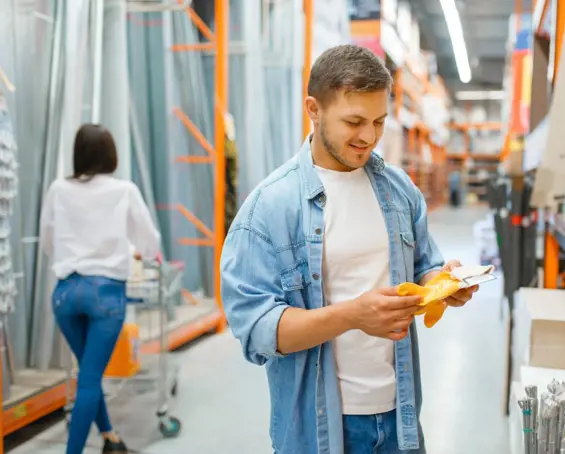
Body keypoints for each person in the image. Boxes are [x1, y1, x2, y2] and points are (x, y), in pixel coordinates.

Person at [220, 44, 477, 454]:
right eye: (354, 121)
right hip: (320, 429)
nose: (369, 137)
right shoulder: (269, 207)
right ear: (313, 108)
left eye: (379, 122)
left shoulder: (399, 190)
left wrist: (443, 283)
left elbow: (423, 265)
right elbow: (257, 331)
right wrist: (353, 316)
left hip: (402, 417)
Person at [39, 124, 161, 454]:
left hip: (65, 294)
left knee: (87, 374)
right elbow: (150, 243)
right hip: (104, 295)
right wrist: (136, 253)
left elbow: (48, 241)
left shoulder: (57, 189)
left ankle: (110, 438)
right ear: (111, 154)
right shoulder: (124, 190)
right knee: (90, 380)